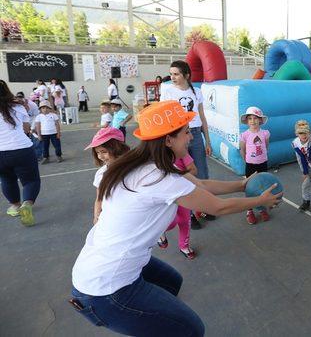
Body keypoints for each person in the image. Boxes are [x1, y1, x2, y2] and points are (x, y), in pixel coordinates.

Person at [70, 100, 282, 336]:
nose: (191, 137)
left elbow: (200, 185)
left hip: (101, 270)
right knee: (192, 330)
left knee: (171, 282)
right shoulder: (159, 177)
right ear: (168, 140)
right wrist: (259, 201)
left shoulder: (146, 165)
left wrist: (243, 184)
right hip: (105, 289)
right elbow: (218, 208)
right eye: (185, 132)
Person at [161, 60, 214, 226]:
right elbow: (164, 117)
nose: (173, 77)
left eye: (176, 74)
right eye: (171, 74)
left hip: (196, 135)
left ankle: (205, 207)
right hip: (178, 138)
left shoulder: (196, 92)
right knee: (184, 175)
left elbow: (202, 117)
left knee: (202, 173)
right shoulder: (168, 92)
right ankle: (190, 214)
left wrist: (208, 141)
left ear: (186, 75)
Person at [0, 80, 40, 226]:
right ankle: (27, 204)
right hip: (21, 149)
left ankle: (15, 206)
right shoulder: (17, 106)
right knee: (31, 180)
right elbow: (26, 128)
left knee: (6, 179)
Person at [85, 127, 130, 225]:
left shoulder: (132, 170)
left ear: (118, 149)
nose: (100, 156)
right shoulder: (101, 174)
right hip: (110, 220)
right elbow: (99, 198)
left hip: (129, 219)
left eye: (104, 152)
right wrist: (96, 217)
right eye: (97, 152)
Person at [157, 153, 198, 260]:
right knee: (171, 222)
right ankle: (160, 232)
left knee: (185, 221)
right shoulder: (153, 156)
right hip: (165, 198)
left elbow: (193, 170)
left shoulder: (181, 152)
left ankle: (184, 246)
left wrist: (177, 176)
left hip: (183, 194)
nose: (190, 137)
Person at [240, 106, 271, 224]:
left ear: (260, 120)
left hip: (262, 163)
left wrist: (261, 157)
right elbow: (242, 150)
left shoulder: (265, 133)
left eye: (255, 118)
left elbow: (266, 146)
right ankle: (249, 210)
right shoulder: (245, 135)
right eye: (250, 118)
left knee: (263, 186)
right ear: (247, 121)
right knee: (250, 187)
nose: (253, 121)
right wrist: (248, 160)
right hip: (250, 165)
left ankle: (262, 208)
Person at [292, 120, 311, 215]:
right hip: (306, 166)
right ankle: (306, 201)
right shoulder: (295, 143)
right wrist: (304, 172)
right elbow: (299, 158)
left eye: (306, 133)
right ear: (297, 134)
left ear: (309, 132)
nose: (304, 135)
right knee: (305, 184)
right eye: (301, 133)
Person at [15, 92, 41, 160]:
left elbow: (37, 116)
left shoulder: (33, 105)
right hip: (23, 123)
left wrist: (33, 127)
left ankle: (38, 156)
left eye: (23, 104)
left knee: (35, 139)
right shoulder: (15, 105)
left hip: (33, 120)